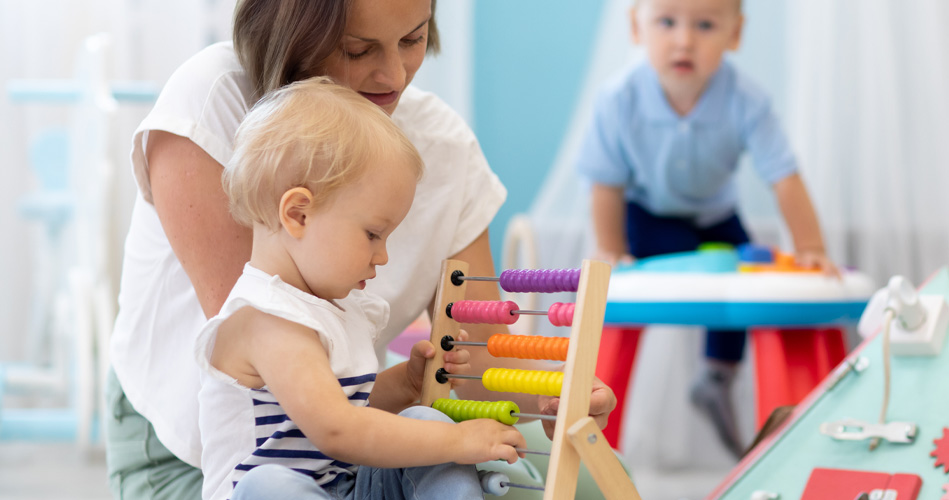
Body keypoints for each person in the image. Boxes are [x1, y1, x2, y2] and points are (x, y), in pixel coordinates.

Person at [106, 0, 617, 498]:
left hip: (349, 450)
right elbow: (306, 404)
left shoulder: (441, 146)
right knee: (285, 482)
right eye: (357, 50)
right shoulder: (216, 100)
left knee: (585, 479)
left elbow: (477, 363)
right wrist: (456, 438)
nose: (394, 74)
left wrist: (559, 395)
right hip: (204, 451)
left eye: (413, 39)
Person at [195, 76, 525, 500]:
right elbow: (337, 429)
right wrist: (462, 442)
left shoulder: (335, 311)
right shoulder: (264, 319)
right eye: (373, 234)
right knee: (270, 485)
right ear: (298, 214)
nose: (382, 256)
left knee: (426, 418)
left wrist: (404, 383)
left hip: (345, 491)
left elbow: (354, 410)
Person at [575, 0, 836, 457]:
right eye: (667, 22)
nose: (684, 40)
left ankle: (718, 375)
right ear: (637, 27)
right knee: (664, 274)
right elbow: (606, 184)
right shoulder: (619, 97)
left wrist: (810, 245)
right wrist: (610, 248)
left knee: (744, 279)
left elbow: (784, 175)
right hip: (648, 213)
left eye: (706, 25)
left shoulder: (747, 99)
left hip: (717, 215)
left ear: (735, 35)